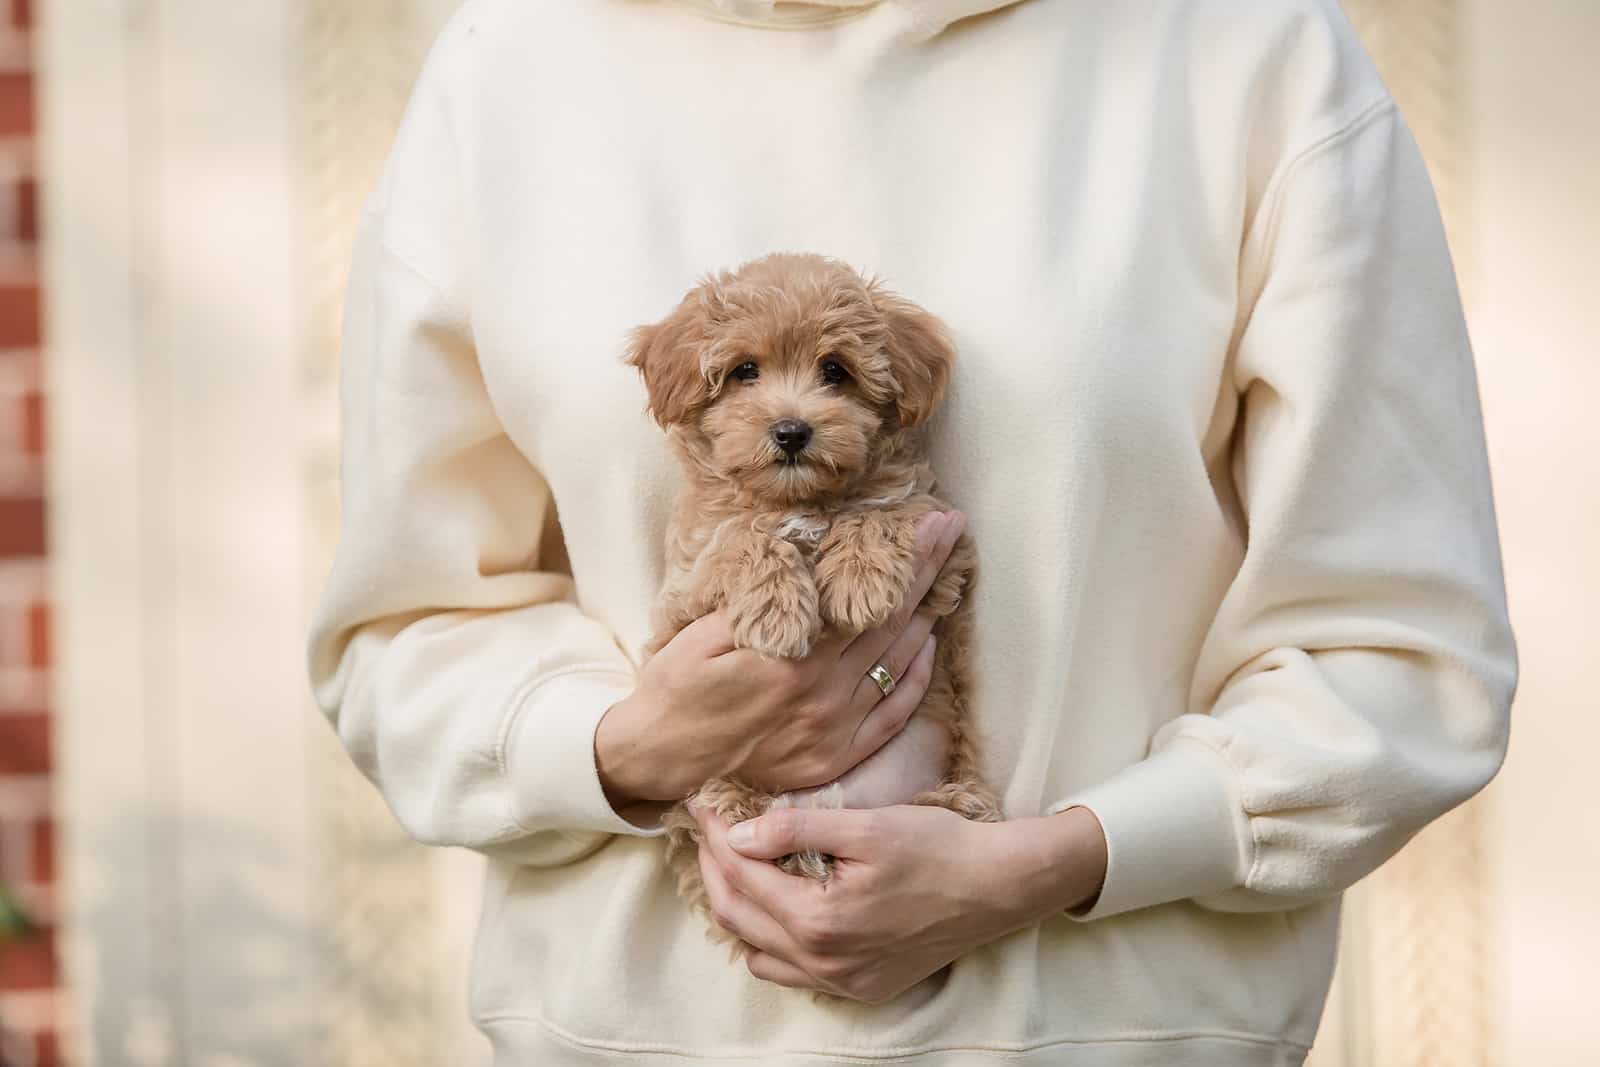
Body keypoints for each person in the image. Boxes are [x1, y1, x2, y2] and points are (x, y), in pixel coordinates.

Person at [306, 0, 1517, 1063]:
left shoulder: (1248, 49)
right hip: (632, 1035)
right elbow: (405, 631)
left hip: (1110, 1038)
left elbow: (1402, 654)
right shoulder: (510, 63)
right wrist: (625, 744)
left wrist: (1064, 859)